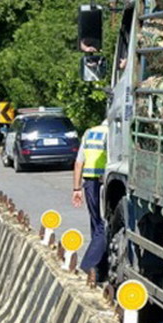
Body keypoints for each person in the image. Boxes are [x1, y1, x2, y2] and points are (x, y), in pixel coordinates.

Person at [71, 119, 108, 278]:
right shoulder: (112, 133)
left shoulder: (89, 133)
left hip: (88, 183)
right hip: (103, 182)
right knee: (104, 227)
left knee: (95, 224)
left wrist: (76, 188)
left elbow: (79, 162)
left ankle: (100, 270)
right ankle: (88, 266)